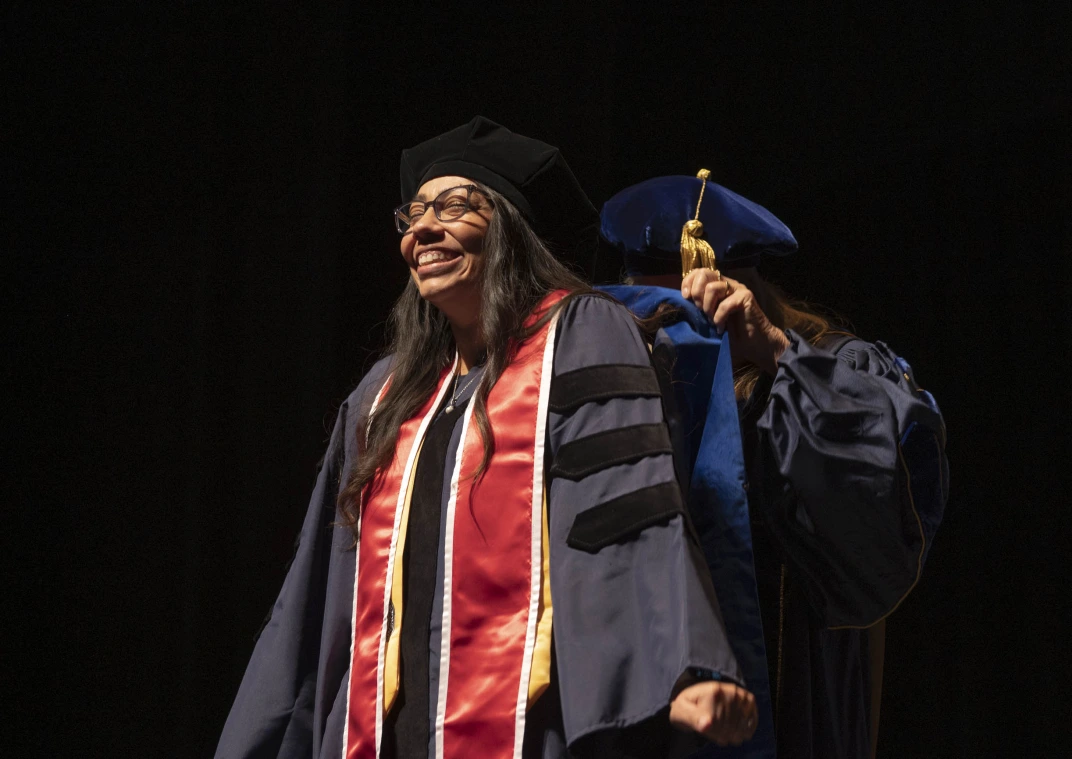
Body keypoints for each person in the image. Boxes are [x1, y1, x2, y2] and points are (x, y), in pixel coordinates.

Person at [215, 119, 760, 759]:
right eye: (412, 214)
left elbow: (629, 503)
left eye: (451, 207)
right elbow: (318, 596)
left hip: (529, 725)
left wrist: (683, 662)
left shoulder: (580, 337)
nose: (421, 230)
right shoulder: (384, 395)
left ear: (508, 229)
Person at [598, 171, 949, 759]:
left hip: (789, 687)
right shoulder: (634, 377)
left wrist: (775, 352)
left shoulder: (832, 365)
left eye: (680, 309)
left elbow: (885, 496)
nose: (668, 330)